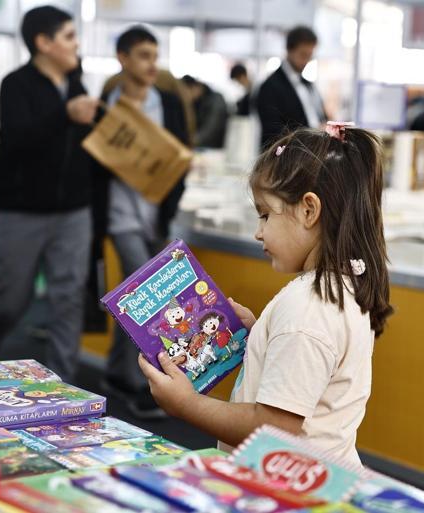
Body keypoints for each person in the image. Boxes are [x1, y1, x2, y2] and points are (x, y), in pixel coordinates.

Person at [138, 123, 394, 465]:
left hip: (289, 491)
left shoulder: (307, 309)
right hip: (317, 482)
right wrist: (262, 334)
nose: (259, 233)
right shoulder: (341, 288)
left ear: (308, 210)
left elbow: (273, 429)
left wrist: (186, 405)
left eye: (265, 215)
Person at [0, 6, 98, 382]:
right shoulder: (16, 84)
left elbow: (83, 145)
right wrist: (65, 115)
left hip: (73, 210)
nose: (77, 44)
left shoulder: (77, 85)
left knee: (67, 300)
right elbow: (19, 140)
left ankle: (62, 388)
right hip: (20, 211)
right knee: (11, 301)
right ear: (43, 42)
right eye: (69, 36)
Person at [94, 26, 190, 419]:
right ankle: (143, 385)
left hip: (157, 216)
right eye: (143, 56)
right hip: (120, 216)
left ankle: (117, 371)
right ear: (123, 58)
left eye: (155, 55)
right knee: (147, 295)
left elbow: (181, 157)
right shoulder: (107, 103)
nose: (152, 64)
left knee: (136, 297)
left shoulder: (167, 102)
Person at [256, 26, 327, 148]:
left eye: (310, 56)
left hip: (317, 152)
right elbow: (272, 135)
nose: (306, 61)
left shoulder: (308, 85)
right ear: (289, 50)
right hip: (291, 159)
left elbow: (321, 117)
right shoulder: (269, 87)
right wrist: (313, 134)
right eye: (303, 55)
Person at [181, 75, 228, 149]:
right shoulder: (199, 101)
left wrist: (193, 141)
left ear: (194, 87)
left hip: (215, 148)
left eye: (186, 92)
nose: (187, 97)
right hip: (204, 147)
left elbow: (212, 126)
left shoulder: (216, 100)